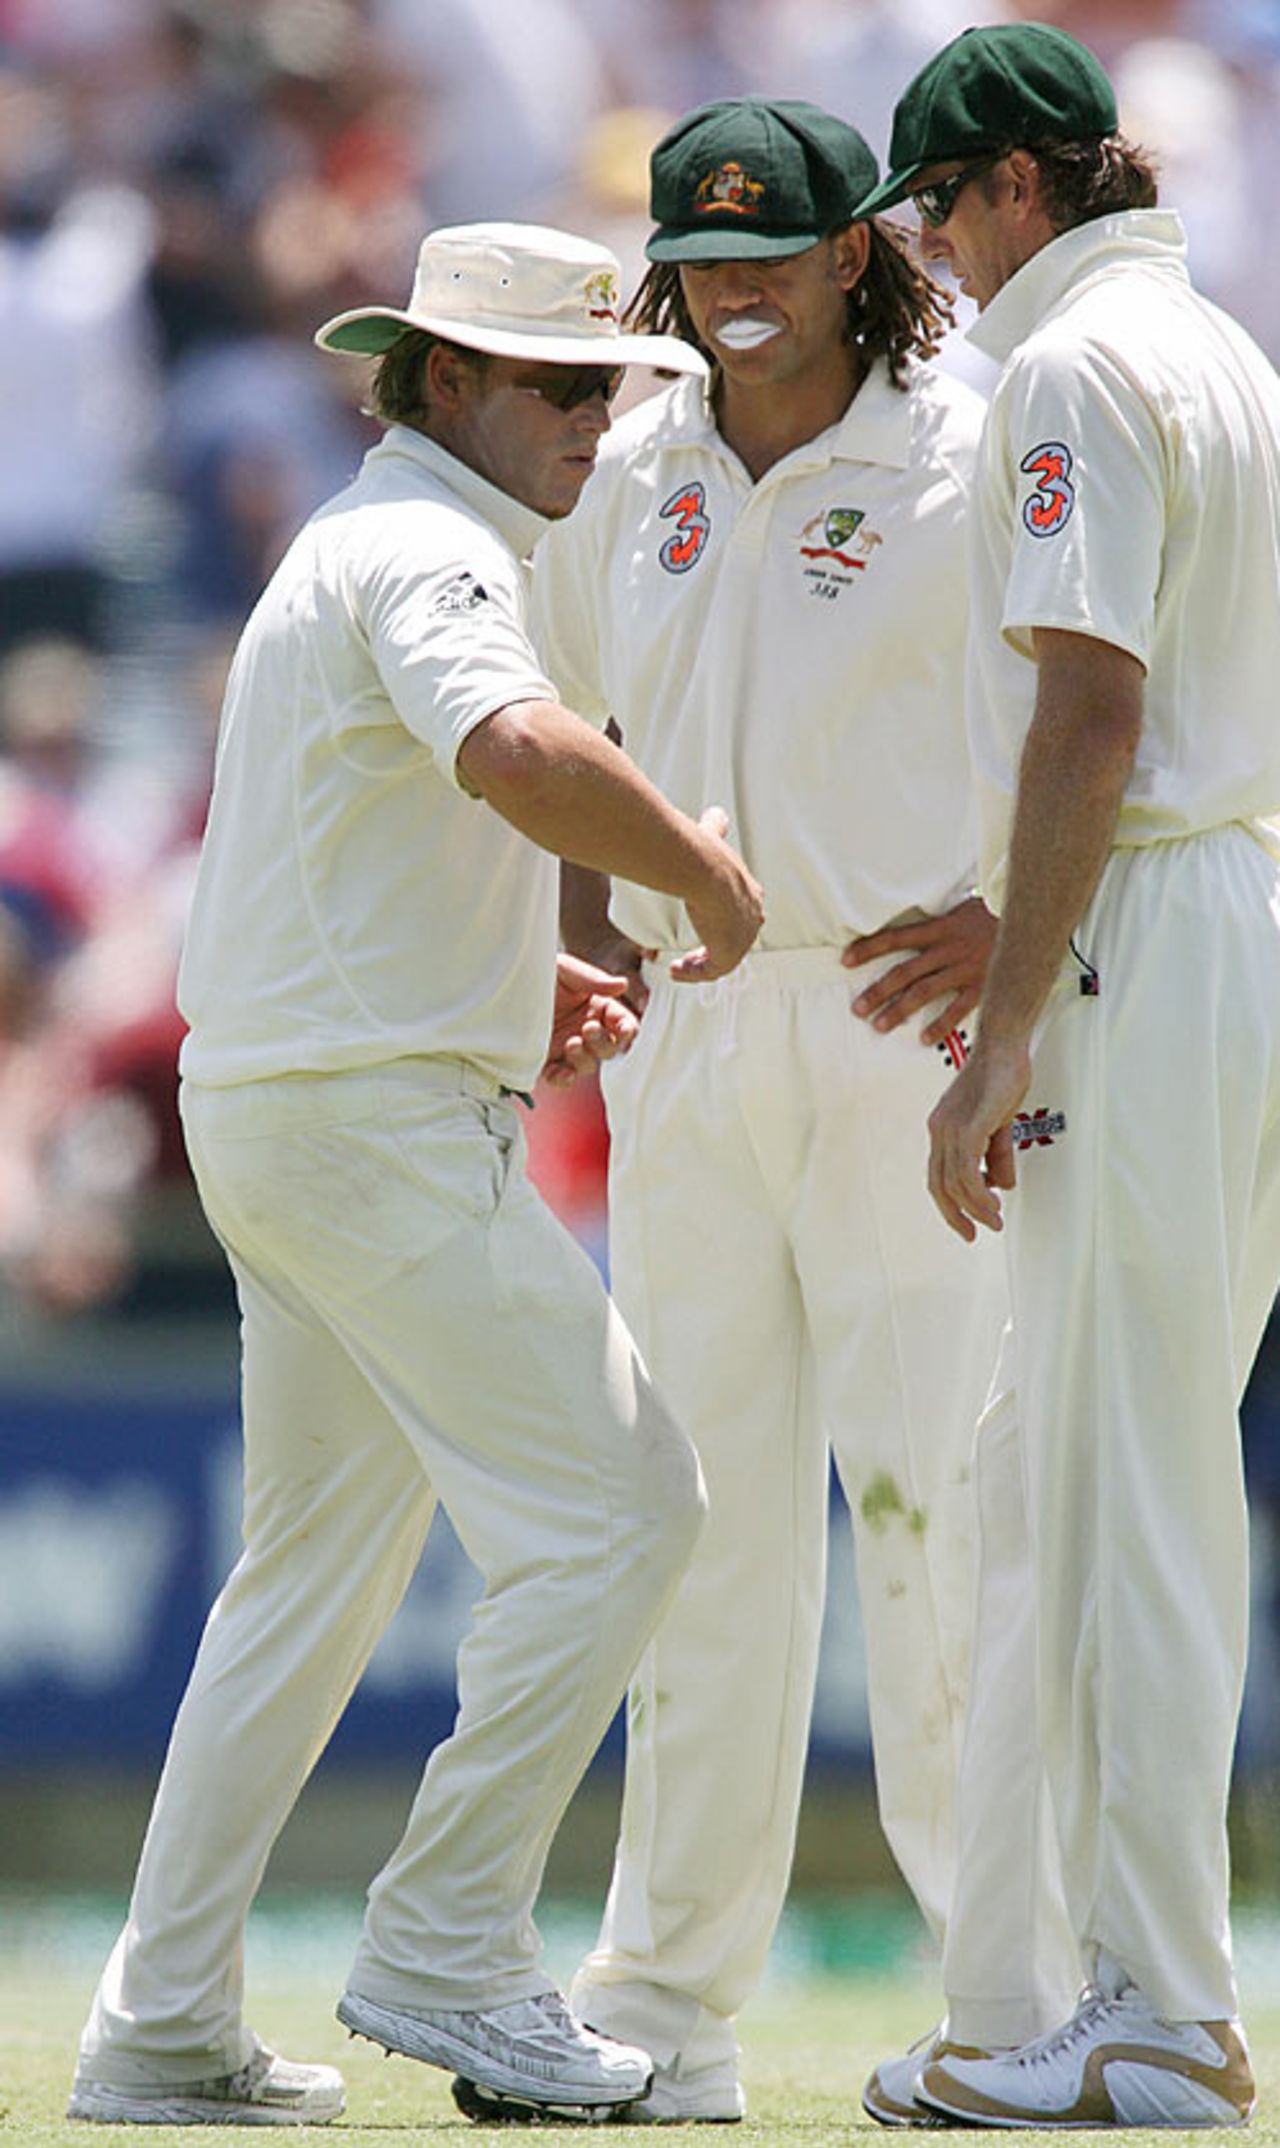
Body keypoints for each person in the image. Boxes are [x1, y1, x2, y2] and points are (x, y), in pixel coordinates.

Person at [66, 218, 766, 2129]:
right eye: (560, 385)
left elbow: (359, 821)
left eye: (612, 389)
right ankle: (452, 1940)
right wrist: (698, 873)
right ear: (442, 378)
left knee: (298, 1587)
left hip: (301, 1110)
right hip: (364, 1131)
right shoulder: (431, 545)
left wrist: (497, 975)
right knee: (626, 1509)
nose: (596, 422)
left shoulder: (376, 540)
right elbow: (522, 752)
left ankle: (158, 2026)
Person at [527, 97, 1078, 2127]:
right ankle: (663, 2018)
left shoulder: (975, 443)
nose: (731, 294)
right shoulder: (636, 459)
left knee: (935, 1521)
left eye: (769, 255)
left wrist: (1016, 925)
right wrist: (581, 930)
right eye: (698, 260)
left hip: (897, 1033)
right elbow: (563, 721)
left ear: (861, 249)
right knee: (701, 1530)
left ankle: (1009, 2006)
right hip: (689, 1033)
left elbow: (1098, 706)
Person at [855, 20, 1280, 2127]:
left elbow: (1092, 715)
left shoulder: (1070, 366)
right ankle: (1039, 1998)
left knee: (1126, 1492)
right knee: (1051, 1482)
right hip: (1201, 915)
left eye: (936, 204)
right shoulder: (1209, 345)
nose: (926, 250)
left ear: (1018, 182)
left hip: (1153, 940)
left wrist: (1001, 1026)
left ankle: (1172, 2014)